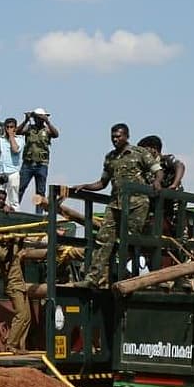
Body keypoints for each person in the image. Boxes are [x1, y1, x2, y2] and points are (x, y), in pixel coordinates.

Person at [71, 123, 163, 288]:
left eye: (118, 136)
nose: (115, 139)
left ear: (126, 136)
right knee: (102, 240)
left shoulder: (139, 153)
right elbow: (102, 183)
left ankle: (133, 277)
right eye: (112, 136)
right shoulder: (110, 157)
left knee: (131, 240)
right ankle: (92, 279)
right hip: (115, 204)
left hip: (137, 203)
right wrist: (85, 185)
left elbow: (158, 170)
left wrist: (157, 182)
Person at [0, 237, 33, 353]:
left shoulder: (12, 248)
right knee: (20, 315)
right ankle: (11, 345)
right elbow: (6, 257)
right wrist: (13, 244)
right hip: (13, 286)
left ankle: (20, 345)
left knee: (27, 317)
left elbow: (17, 249)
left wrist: (19, 240)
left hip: (21, 285)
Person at [16, 108, 59, 210]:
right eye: (37, 117)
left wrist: (47, 121)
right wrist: (26, 119)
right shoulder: (29, 128)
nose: (39, 120)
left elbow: (56, 134)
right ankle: (15, 209)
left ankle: (39, 214)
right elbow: (17, 131)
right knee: (20, 188)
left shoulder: (47, 129)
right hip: (28, 163)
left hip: (42, 164)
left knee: (40, 192)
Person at [0, 117, 22, 211]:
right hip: (0, 172)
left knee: (13, 198)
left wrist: (11, 137)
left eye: (11, 127)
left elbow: (15, 150)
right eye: (7, 127)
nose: (9, 129)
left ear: (15, 128)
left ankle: (15, 215)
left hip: (13, 171)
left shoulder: (20, 140)